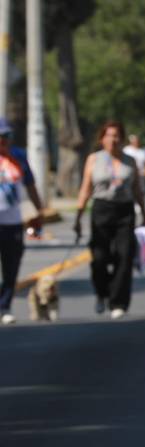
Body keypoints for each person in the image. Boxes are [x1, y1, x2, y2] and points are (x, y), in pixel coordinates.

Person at [73, 120, 145, 320]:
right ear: (102, 138)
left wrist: (144, 215)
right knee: (99, 257)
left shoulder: (130, 161)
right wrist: (78, 217)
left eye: (117, 136)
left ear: (122, 139)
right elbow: (85, 189)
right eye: (109, 135)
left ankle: (118, 302)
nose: (113, 140)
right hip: (101, 209)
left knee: (124, 256)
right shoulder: (93, 159)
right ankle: (102, 292)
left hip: (125, 211)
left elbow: (137, 191)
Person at [0, 118, 47, 325]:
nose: (5, 140)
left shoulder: (19, 156)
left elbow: (30, 185)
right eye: (1, 136)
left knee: (11, 266)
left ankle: (4, 306)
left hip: (13, 222)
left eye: (7, 136)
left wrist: (39, 210)